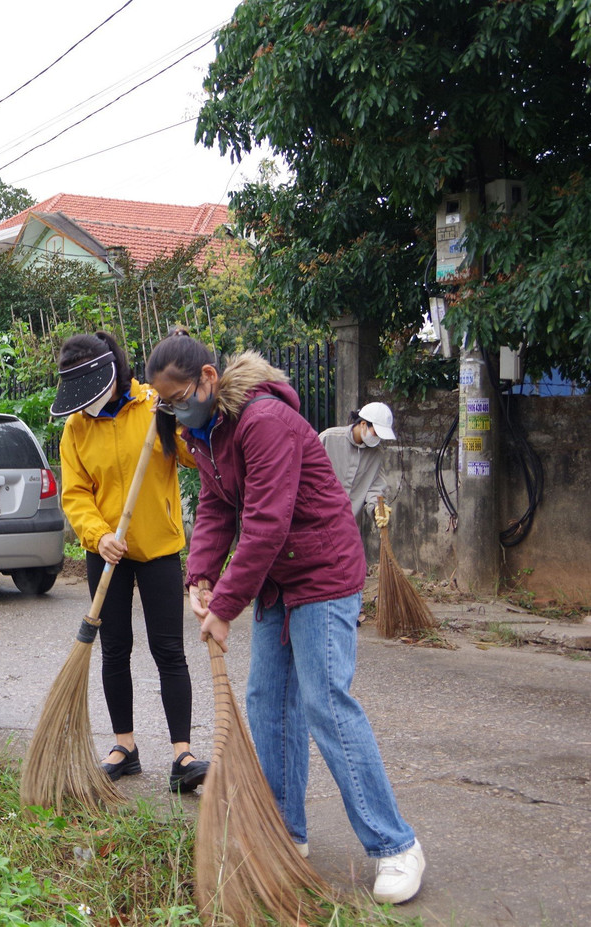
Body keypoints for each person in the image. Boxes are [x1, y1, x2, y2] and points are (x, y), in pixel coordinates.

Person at [144, 331, 425, 905]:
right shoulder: (205, 433)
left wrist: (224, 608)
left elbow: (268, 522)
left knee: (325, 701)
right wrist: (200, 575)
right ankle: (284, 834)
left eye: (177, 396)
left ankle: (395, 846)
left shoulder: (263, 421)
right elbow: (221, 506)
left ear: (208, 379)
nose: (172, 408)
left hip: (322, 574)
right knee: (268, 703)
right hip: (277, 583)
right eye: (163, 401)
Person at [53, 331, 208, 794]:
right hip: (107, 554)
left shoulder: (153, 404)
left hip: (159, 546)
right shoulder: (76, 427)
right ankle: (125, 747)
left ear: (113, 377)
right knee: (114, 650)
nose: (86, 406)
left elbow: (191, 457)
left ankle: (182, 754)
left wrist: (179, 418)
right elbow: (75, 493)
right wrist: (99, 537)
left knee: (169, 651)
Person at [319, 402, 395, 521]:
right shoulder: (328, 439)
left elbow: (375, 489)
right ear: (363, 424)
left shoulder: (376, 454)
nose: (378, 439)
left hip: (348, 527)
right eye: (376, 433)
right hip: (318, 521)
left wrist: (377, 509)